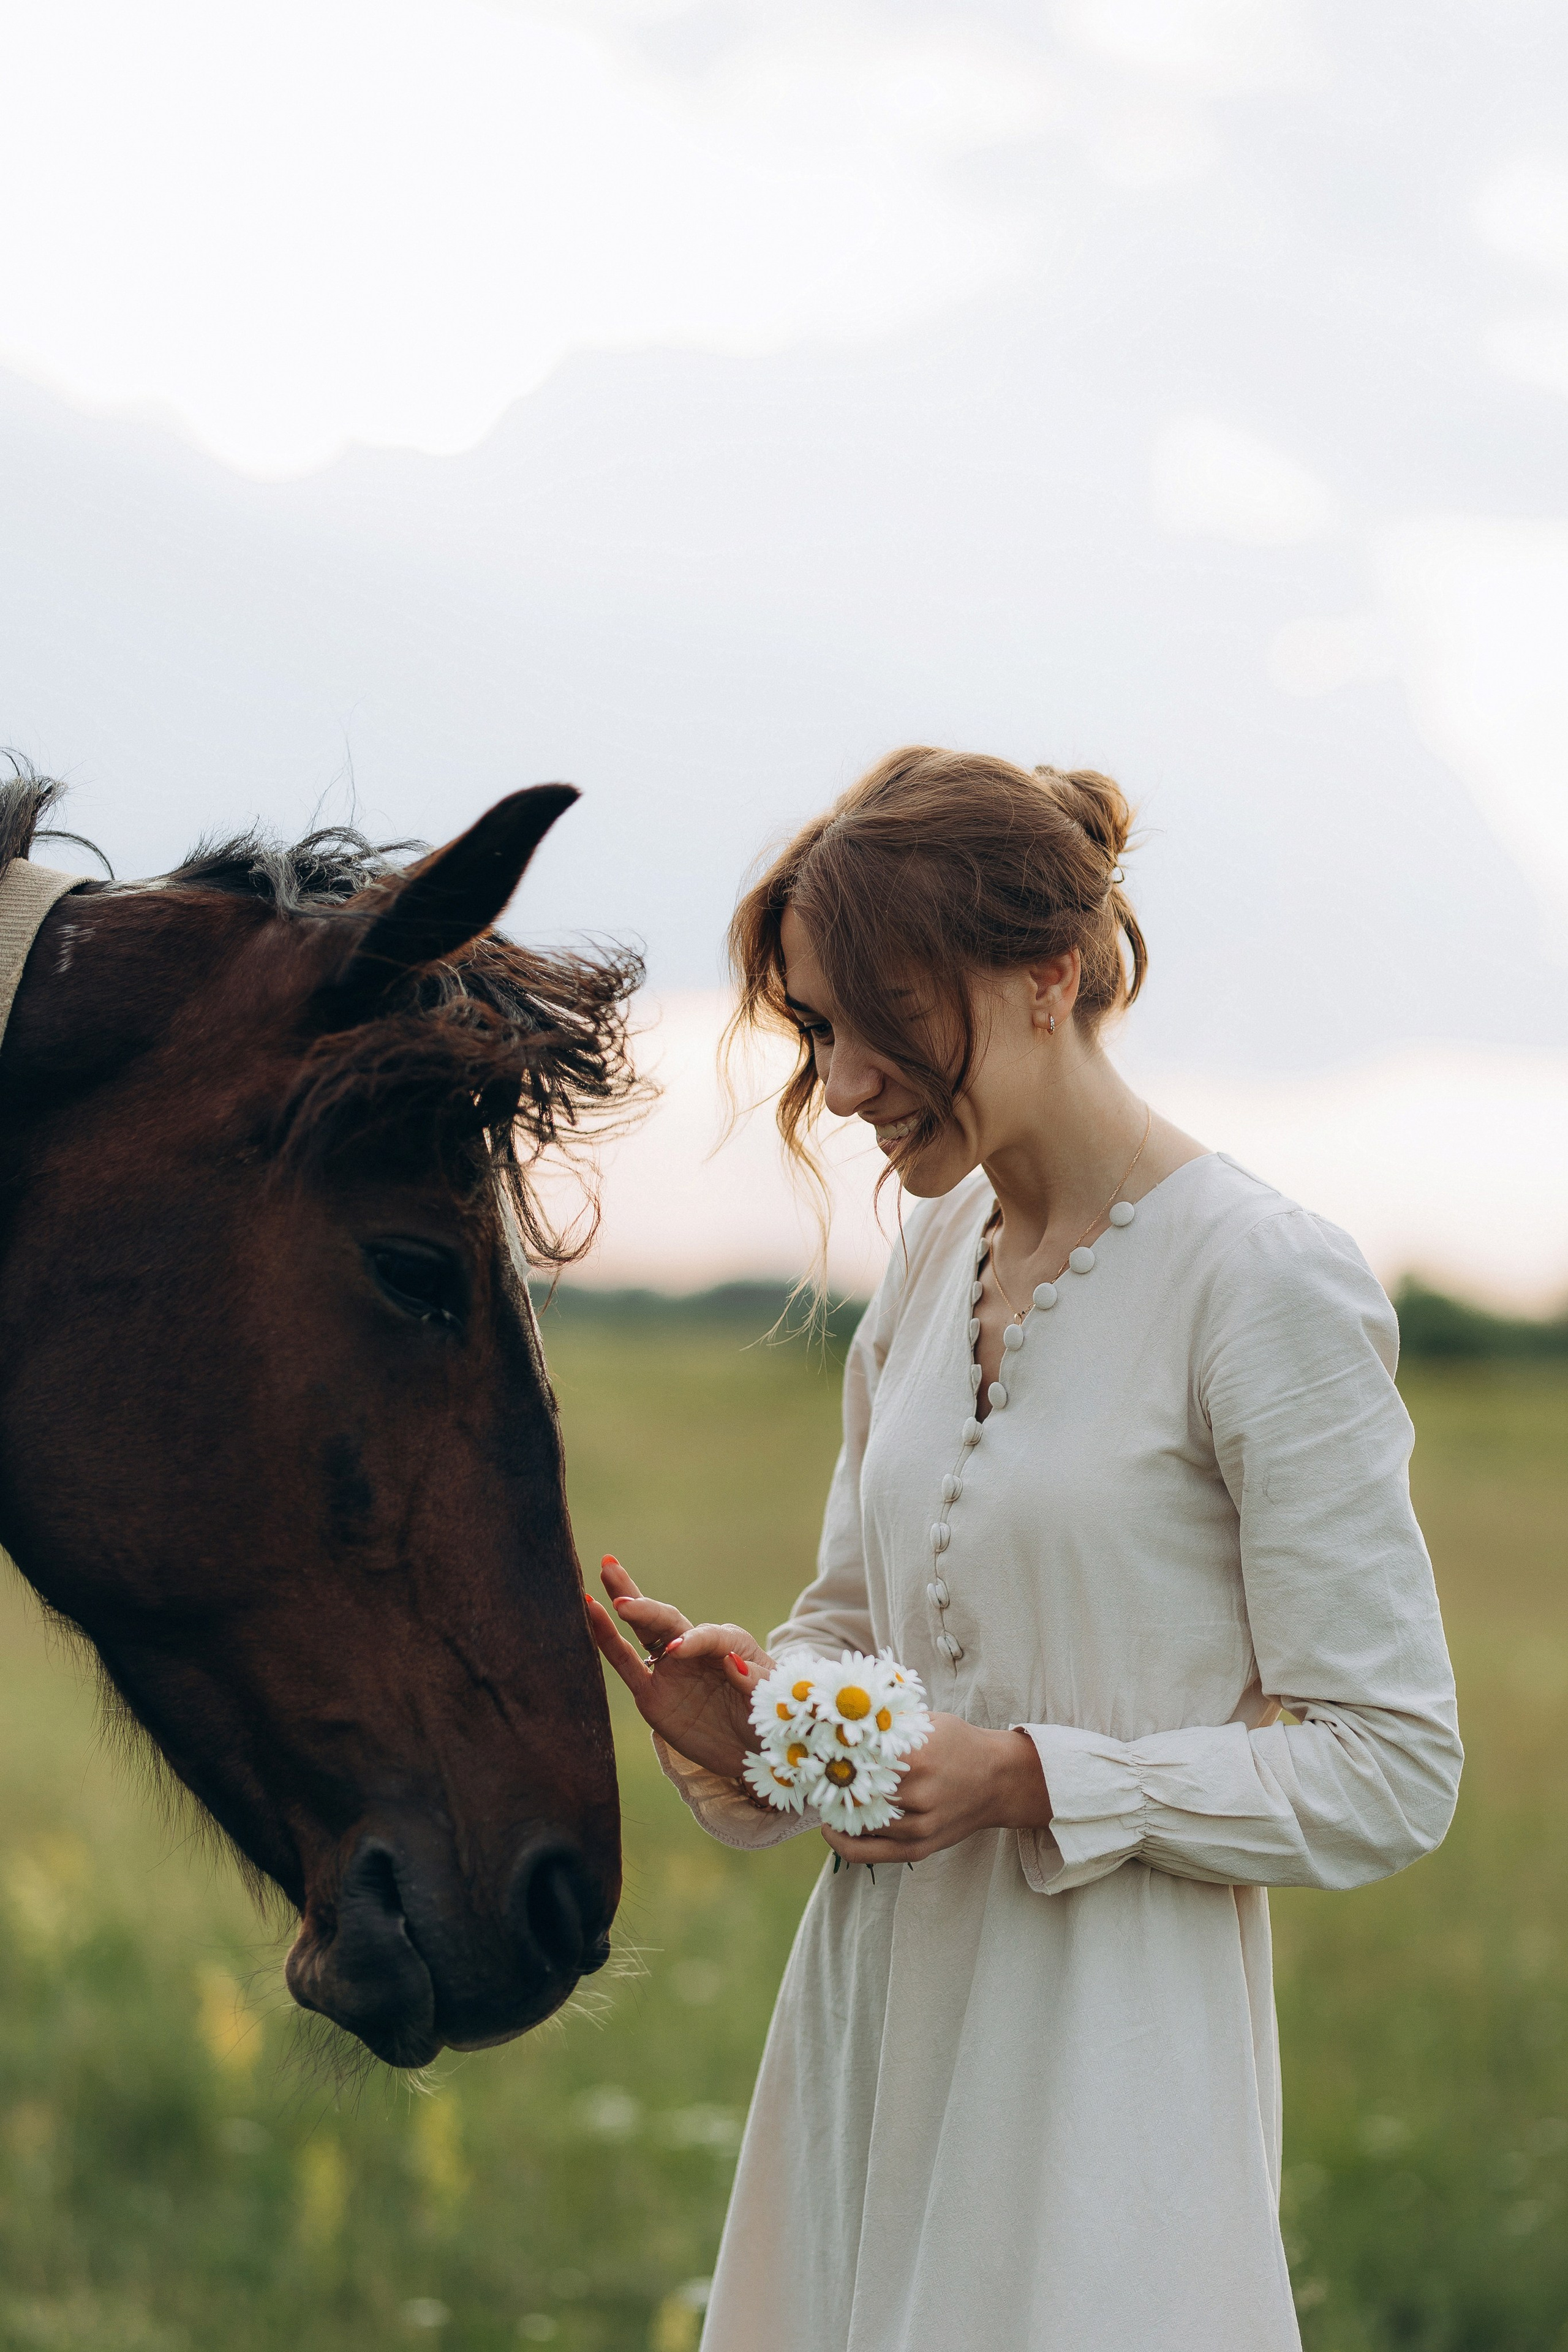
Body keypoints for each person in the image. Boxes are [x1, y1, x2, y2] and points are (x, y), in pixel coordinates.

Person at [587, 745, 1462, 2352]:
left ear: (1049, 977)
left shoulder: (1263, 1283)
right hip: (867, 2041)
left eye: (874, 1023)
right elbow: (859, 1621)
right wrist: (771, 1723)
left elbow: (1393, 1767)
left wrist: (1036, 1780)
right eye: (818, 1030)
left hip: (1104, 2083)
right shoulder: (930, 1259)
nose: (841, 1085)